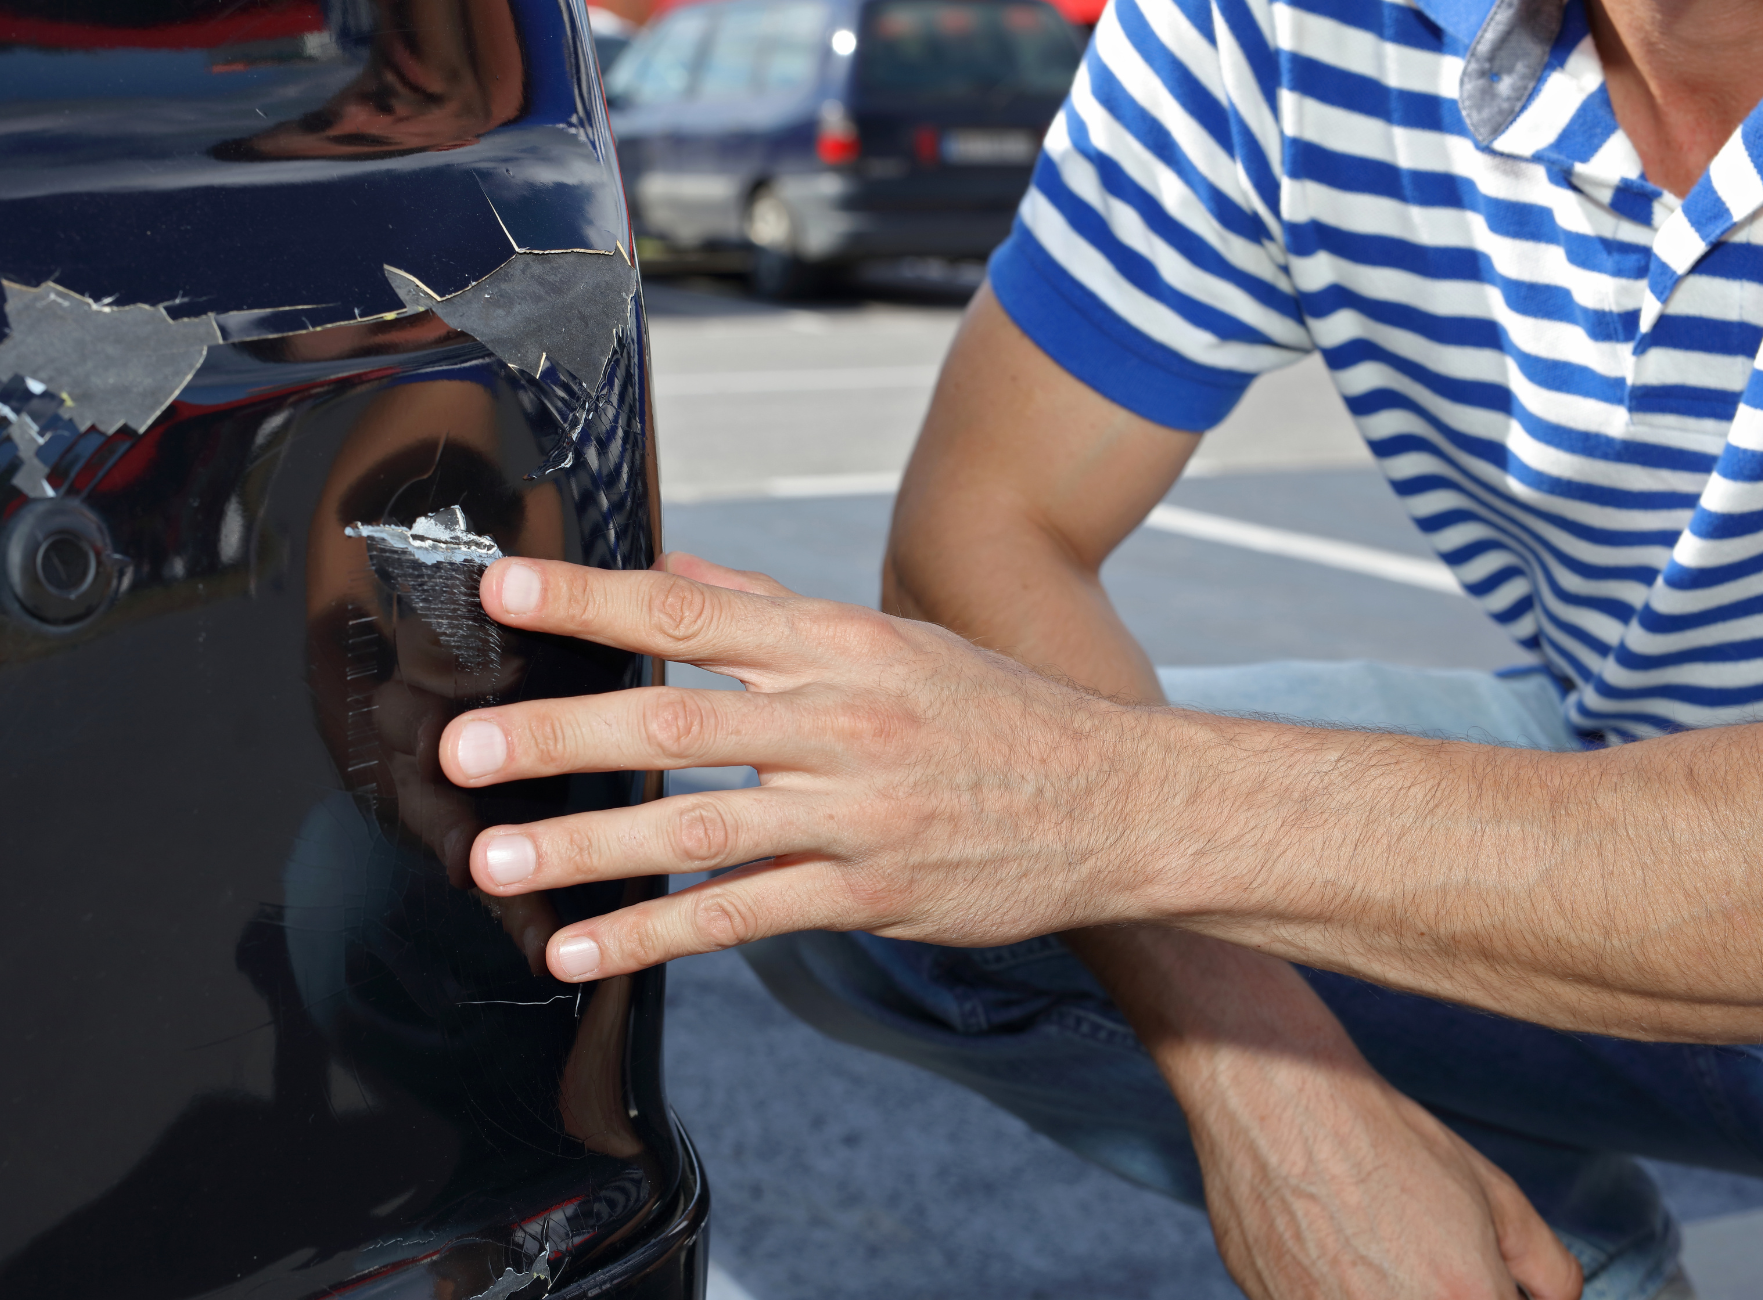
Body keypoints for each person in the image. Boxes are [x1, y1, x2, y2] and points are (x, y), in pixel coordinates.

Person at [430, 0, 1763, 1296]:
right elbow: (988, 523)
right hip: (1638, 769)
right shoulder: (1284, 24)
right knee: (856, 841)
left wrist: (1101, 806)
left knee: (1019, 809)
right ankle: (1548, 1271)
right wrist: (1283, 1096)